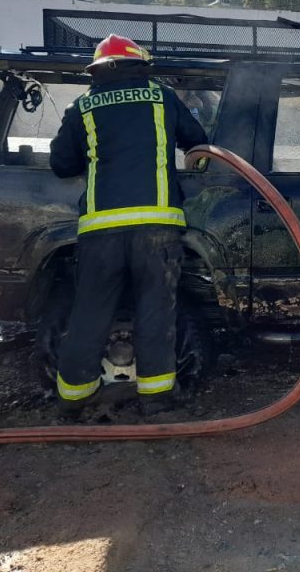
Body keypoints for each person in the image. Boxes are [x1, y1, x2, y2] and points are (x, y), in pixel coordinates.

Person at [49, 35, 207, 415]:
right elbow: (198, 145)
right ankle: (156, 400)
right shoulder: (162, 98)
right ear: (140, 66)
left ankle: (72, 400)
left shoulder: (82, 107)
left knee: (89, 313)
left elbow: (61, 165)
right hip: (157, 226)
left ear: (99, 70)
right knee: (156, 312)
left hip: (100, 231)